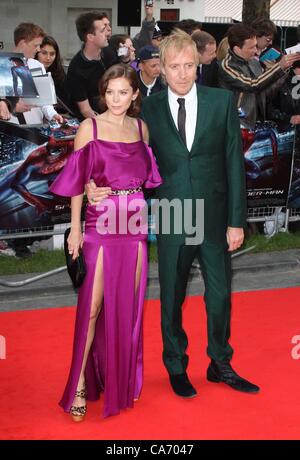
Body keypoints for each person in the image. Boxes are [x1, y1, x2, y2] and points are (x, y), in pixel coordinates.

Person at [87, 30, 260, 398]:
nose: (182, 74)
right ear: (160, 70)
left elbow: (233, 162)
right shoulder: (147, 109)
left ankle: (220, 362)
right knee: (172, 294)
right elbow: (120, 149)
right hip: (173, 211)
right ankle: (176, 365)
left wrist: (236, 220)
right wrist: (92, 183)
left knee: (219, 294)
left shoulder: (221, 101)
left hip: (214, 213)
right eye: (174, 67)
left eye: (188, 66)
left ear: (198, 66)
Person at [49, 64, 161, 421]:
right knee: (93, 308)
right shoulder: (89, 128)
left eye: (123, 92)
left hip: (134, 224)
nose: (116, 99)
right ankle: (79, 381)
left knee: (128, 308)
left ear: (134, 95)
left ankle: (122, 378)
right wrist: (77, 229)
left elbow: (145, 176)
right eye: (110, 92)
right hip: (100, 224)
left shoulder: (140, 128)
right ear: (103, 93)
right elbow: (78, 182)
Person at [218, 23, 300, 129]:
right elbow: (252, 85)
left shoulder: (254, 63)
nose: (256, 51)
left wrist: (284, 70)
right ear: (237, 49)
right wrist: (278, 67)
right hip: (234, 123)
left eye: (256, 46)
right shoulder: (227, 66)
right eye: (251, 47)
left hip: (255, 123)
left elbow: (265, 91)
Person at [66, 11, 110, 120]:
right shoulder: (76, 69)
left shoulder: (110, 53)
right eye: (102, 31)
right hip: (91, 123)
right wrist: (107, 124)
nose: (107, 33)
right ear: (90, 37)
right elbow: (86, 110)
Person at [36, 35, 69, 109]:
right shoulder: (29, 69)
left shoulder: (59, 72)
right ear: (37, 53)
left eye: (52, 54)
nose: (48, 58)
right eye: (44, 53)